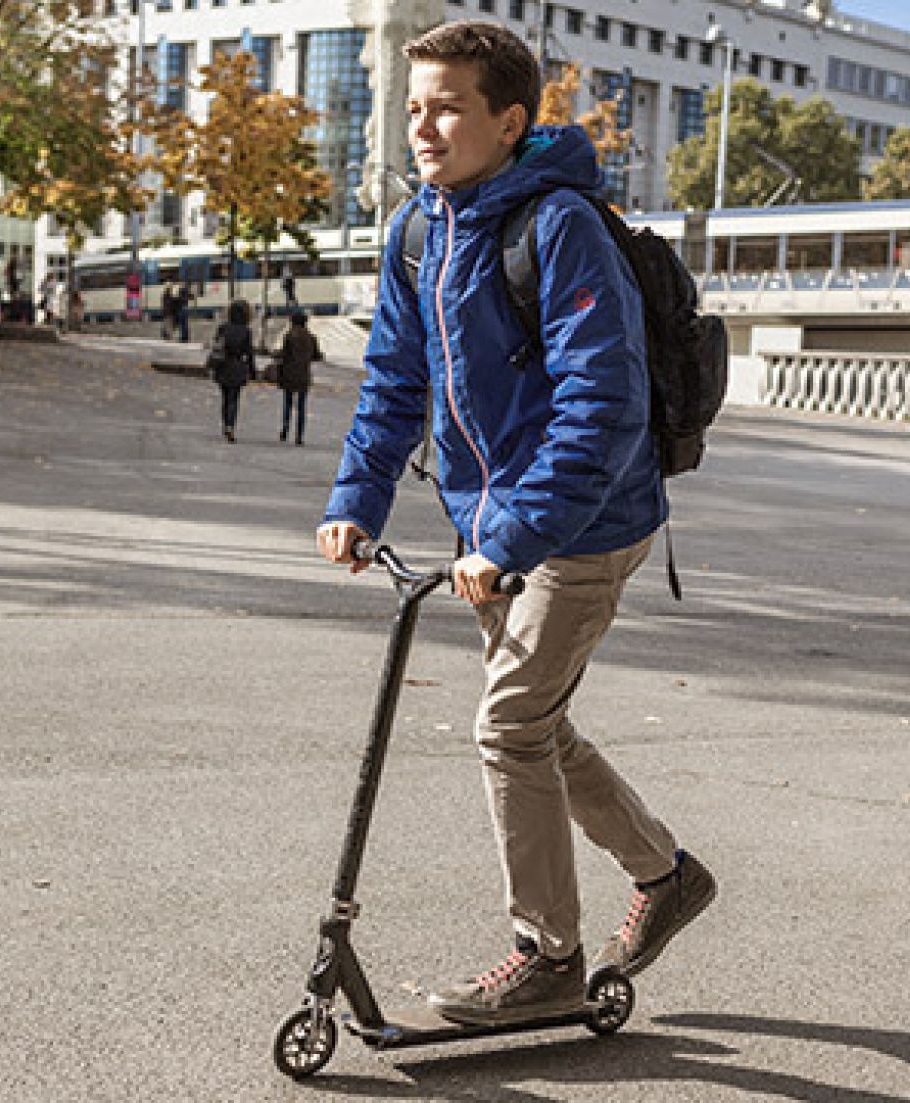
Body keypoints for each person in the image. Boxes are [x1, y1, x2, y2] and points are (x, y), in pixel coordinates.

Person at [316, 21, 714, 1028]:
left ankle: (547, 952)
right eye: (414, 107)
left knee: (507, 725)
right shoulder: (421, 228)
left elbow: (603, 405)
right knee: (536, 723)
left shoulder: (560, 225)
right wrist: (356, 499)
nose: (423, 126)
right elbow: (396, 381)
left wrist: (512, 537)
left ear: (508, 119)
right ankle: (663, 874)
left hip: (585, 520)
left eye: (446, 106)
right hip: (496, 531)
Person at [207, 298, 254, 442]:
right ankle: (230, 425)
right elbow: (249, 352)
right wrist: (252, 370)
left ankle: (225, 424)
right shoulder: (246, 331)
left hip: (223, 366)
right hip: (238, 366)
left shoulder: (223, 328)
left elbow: (216, 346)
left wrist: (212, 365)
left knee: (225, 398)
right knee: (234, 398)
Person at [274, 312, 320, 446]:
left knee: (287, 403)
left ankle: (285, 430)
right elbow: (317, 355)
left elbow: (284, 353)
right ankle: (299, 435)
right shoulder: (311, 337)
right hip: (303, 374)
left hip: (288, 373)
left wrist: (277, 356)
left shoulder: (289, 336)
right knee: (301, 406)